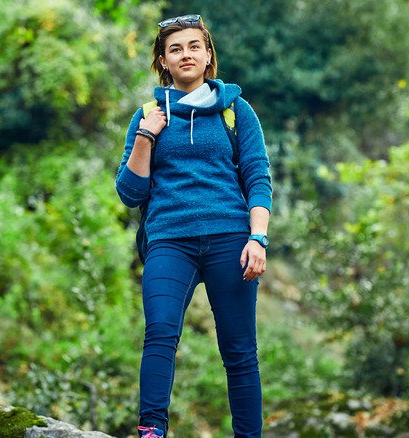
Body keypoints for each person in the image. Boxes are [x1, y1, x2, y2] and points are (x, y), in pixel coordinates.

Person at [115, 14, 272, 438]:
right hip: (169, 240)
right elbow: (130, 193)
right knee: (160, 332)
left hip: (230, 239)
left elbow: (257, 178)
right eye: (175, 49)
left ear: (207, 56)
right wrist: (147, 136)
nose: (185, 54)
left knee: (240, 352)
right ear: (163, 61)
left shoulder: (236, 110)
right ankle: (152, 430)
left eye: (193, 47)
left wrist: (257, 237)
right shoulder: (146, 115)